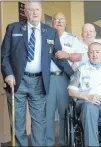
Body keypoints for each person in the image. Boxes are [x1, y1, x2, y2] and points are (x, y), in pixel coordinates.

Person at [1, 2, 73, 146]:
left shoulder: (50, 32)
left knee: (40, 122)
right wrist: (8, 74)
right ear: (26, 12)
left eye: (37, 10)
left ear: (41, 11)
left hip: (40, 83)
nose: (34, 13)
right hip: (17, 82)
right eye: (31, 10)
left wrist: (74, 74)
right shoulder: (13, 28)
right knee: (18, 122)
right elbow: (4, 55)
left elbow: (57, 56)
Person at [45, 12, 85, 146]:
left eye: (61, 20)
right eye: (56, 19)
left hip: (64, 79)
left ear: (65, 22)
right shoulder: (45, 36)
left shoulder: (72, 39)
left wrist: (67, 55)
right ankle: (48, 143)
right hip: (49, 79)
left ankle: (63, 142)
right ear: (52, 23)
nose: (59, 22)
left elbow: (79, 56)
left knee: (64, 112)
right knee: (48, 113)